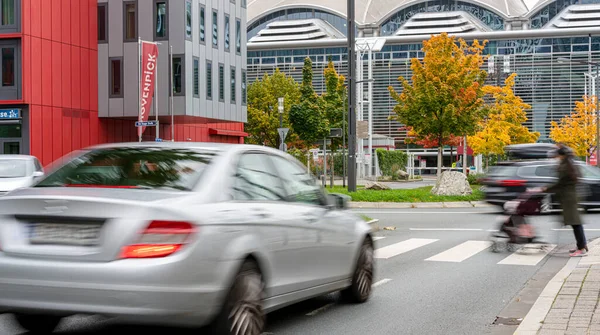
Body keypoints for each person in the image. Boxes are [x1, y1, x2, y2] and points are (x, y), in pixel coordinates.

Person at [544, 144, 588, 257]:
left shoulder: (565, 166)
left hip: (568, 198)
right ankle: (581, 245)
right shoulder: (571, 164)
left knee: (575, 222)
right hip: (571, 197)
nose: (556, 157)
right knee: (575, 222)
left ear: (561, 156)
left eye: (557, 155)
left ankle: (582, 247)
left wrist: (545, 189)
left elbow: (560, 183)